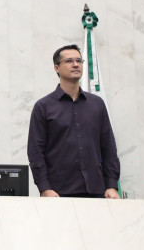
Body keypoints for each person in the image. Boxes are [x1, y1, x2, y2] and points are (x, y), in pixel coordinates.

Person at [27, 44, 121, 198]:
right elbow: (36, 152)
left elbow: (108, 146)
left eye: (79, 60)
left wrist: (111, 184)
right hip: (58, 193)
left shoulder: (97, 104)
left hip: (97, 191)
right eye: (69, 61)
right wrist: (44, 188)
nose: (76, 64)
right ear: (56, 68)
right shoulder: (43, 107)